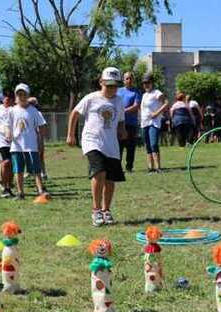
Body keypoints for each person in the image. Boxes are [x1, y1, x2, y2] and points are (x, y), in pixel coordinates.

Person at [66, 67, 127, 226]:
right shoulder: (91, 98)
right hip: (92, 141)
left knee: (110, 179)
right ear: (101, 82)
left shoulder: (119, 100)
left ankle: (106, 210)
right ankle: (96, 210)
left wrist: (122, 130)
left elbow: (120, 119)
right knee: (99, 172)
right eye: (108, 85)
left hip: (111, 144)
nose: (112, 89)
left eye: (115, 86)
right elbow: (75, 113)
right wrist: (70, 134)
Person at [9, 83, 48, 199]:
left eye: (23, 94)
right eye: (19, 94)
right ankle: (20, 192)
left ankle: (40, 190)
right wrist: (8, 133)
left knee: (36, 169)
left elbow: (42, 126)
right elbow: (7, 125)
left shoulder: (34, 111)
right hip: (17, 146)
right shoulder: (12, 111)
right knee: (18, 170)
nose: (21, 96)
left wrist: (40, 141)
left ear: (27, 95)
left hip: (31, 145)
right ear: (16, 96)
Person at [140, 72, 169, 173]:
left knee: (153, 144)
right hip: (144, 122)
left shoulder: (157, 92)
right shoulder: (144, 95)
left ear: (152, 83)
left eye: (148, 82)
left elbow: (166, 103)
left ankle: (158, 167)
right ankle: (150, 167)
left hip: (154, 122)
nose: (146, 85)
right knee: (147, 145)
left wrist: (156, 113)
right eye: (144, 83)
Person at [117, 71, 142, 172]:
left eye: (131, 78)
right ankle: (117, 167)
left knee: (131, 147)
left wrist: (122, 111)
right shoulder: (118, 91)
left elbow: (136, 106)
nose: (129, 80)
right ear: (123, 80)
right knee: (119, 146)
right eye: (127, 78)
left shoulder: (137, 92)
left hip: (131, 124)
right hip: (119, 123)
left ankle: (129, 167)